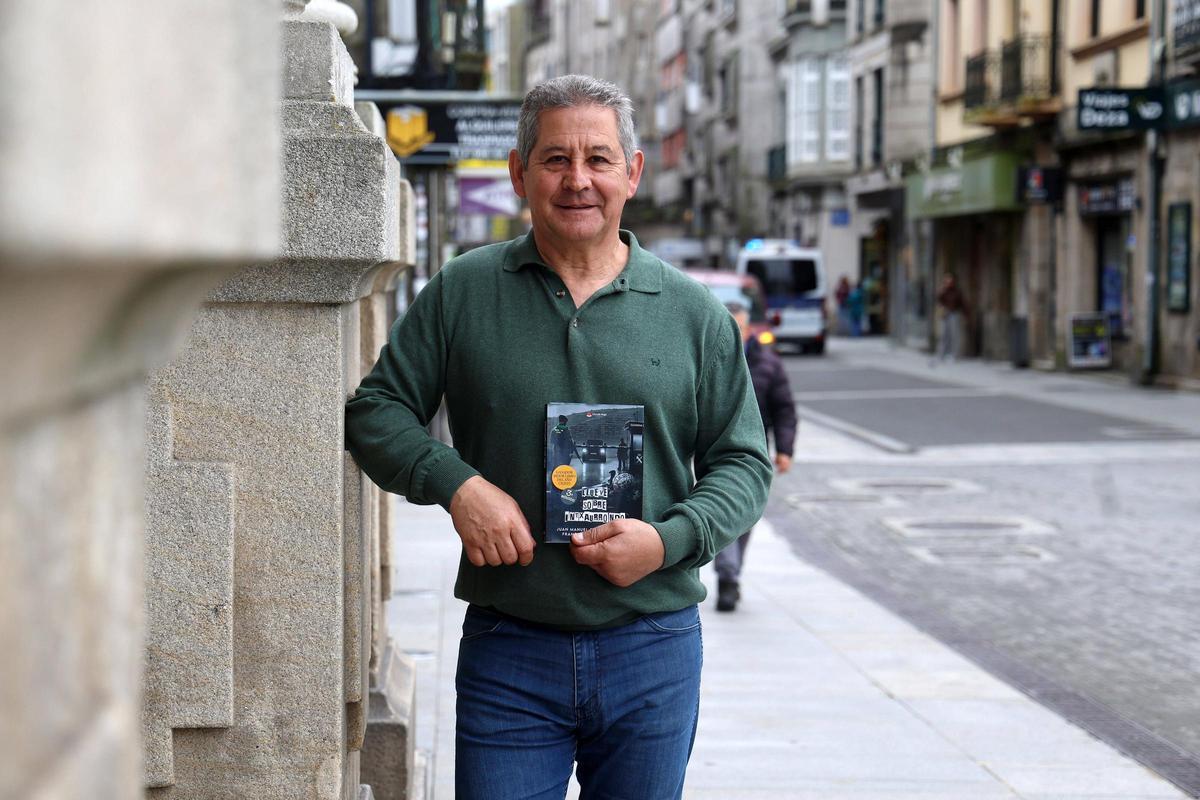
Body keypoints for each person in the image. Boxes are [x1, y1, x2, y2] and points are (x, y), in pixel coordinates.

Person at [345, 75, 771, 800]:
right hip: (510, 646)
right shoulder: (463, 291)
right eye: (555, 160)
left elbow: (743, 463)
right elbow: (375, 412)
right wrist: (460, 487)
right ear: (519, 173)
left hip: (654, 645)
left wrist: (668, 542)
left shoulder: (693, 312)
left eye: (599, 159)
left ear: (631, 174)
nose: (579, 180)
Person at [713, 302, 797, 612]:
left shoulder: (769, 365)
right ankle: (727, 576)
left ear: (749, 330)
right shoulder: (712, 359)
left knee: (744, 516)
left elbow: (784, 410)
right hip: (712, 451)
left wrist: (785, 450)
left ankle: (731, 573)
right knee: (722, 509)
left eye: (740, 327)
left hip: (753, 454)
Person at [936, 272, 967, 361]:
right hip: (945, 314)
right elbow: (938, 300)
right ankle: (941, 354)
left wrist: (965, 315)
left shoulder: (957, 291)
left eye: (950, 280)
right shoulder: (943, 291)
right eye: (947, 280)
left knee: (954, 335)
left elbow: (962, 303)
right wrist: (942, 290)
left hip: (954, 314)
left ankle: (954, 355)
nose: (948, 282)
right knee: (944, 335)